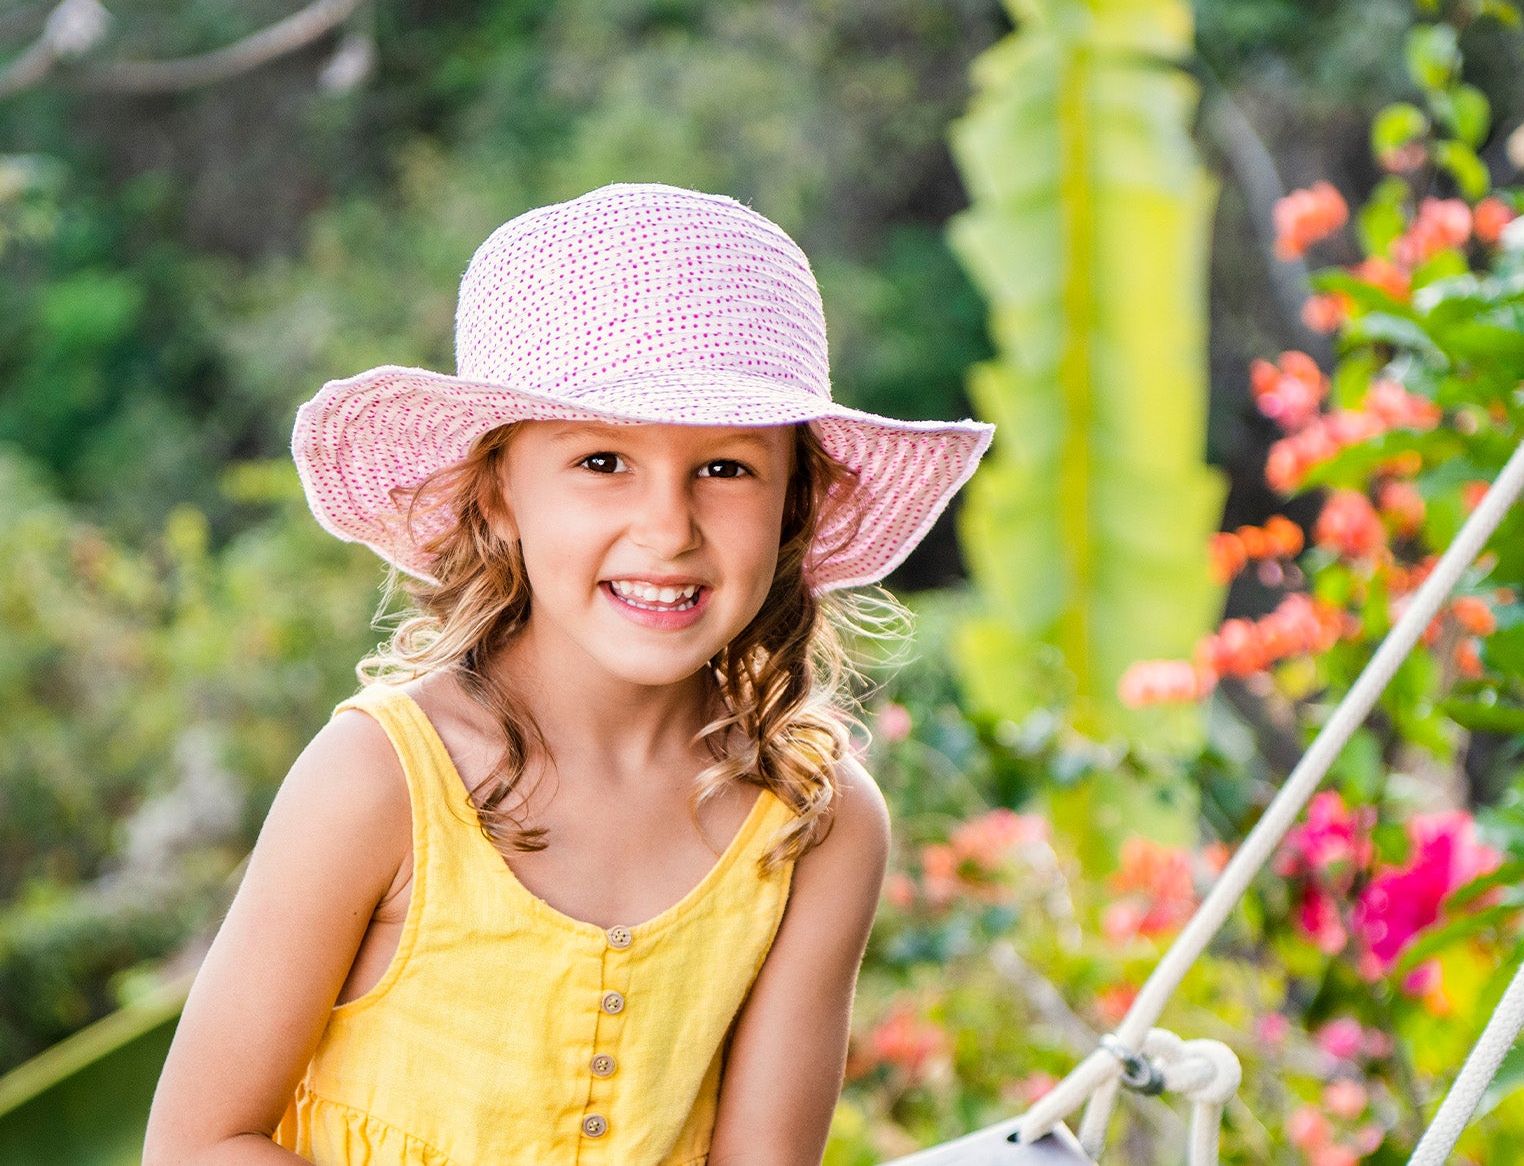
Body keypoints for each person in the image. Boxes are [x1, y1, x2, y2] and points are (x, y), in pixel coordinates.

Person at [142, 182, 995, 1164]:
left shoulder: (815, 822)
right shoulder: (379, 780)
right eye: (601, 462)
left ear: (793, 502)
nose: (668, 530)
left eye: (725, 469)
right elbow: (198, 1144)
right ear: (498, 493)